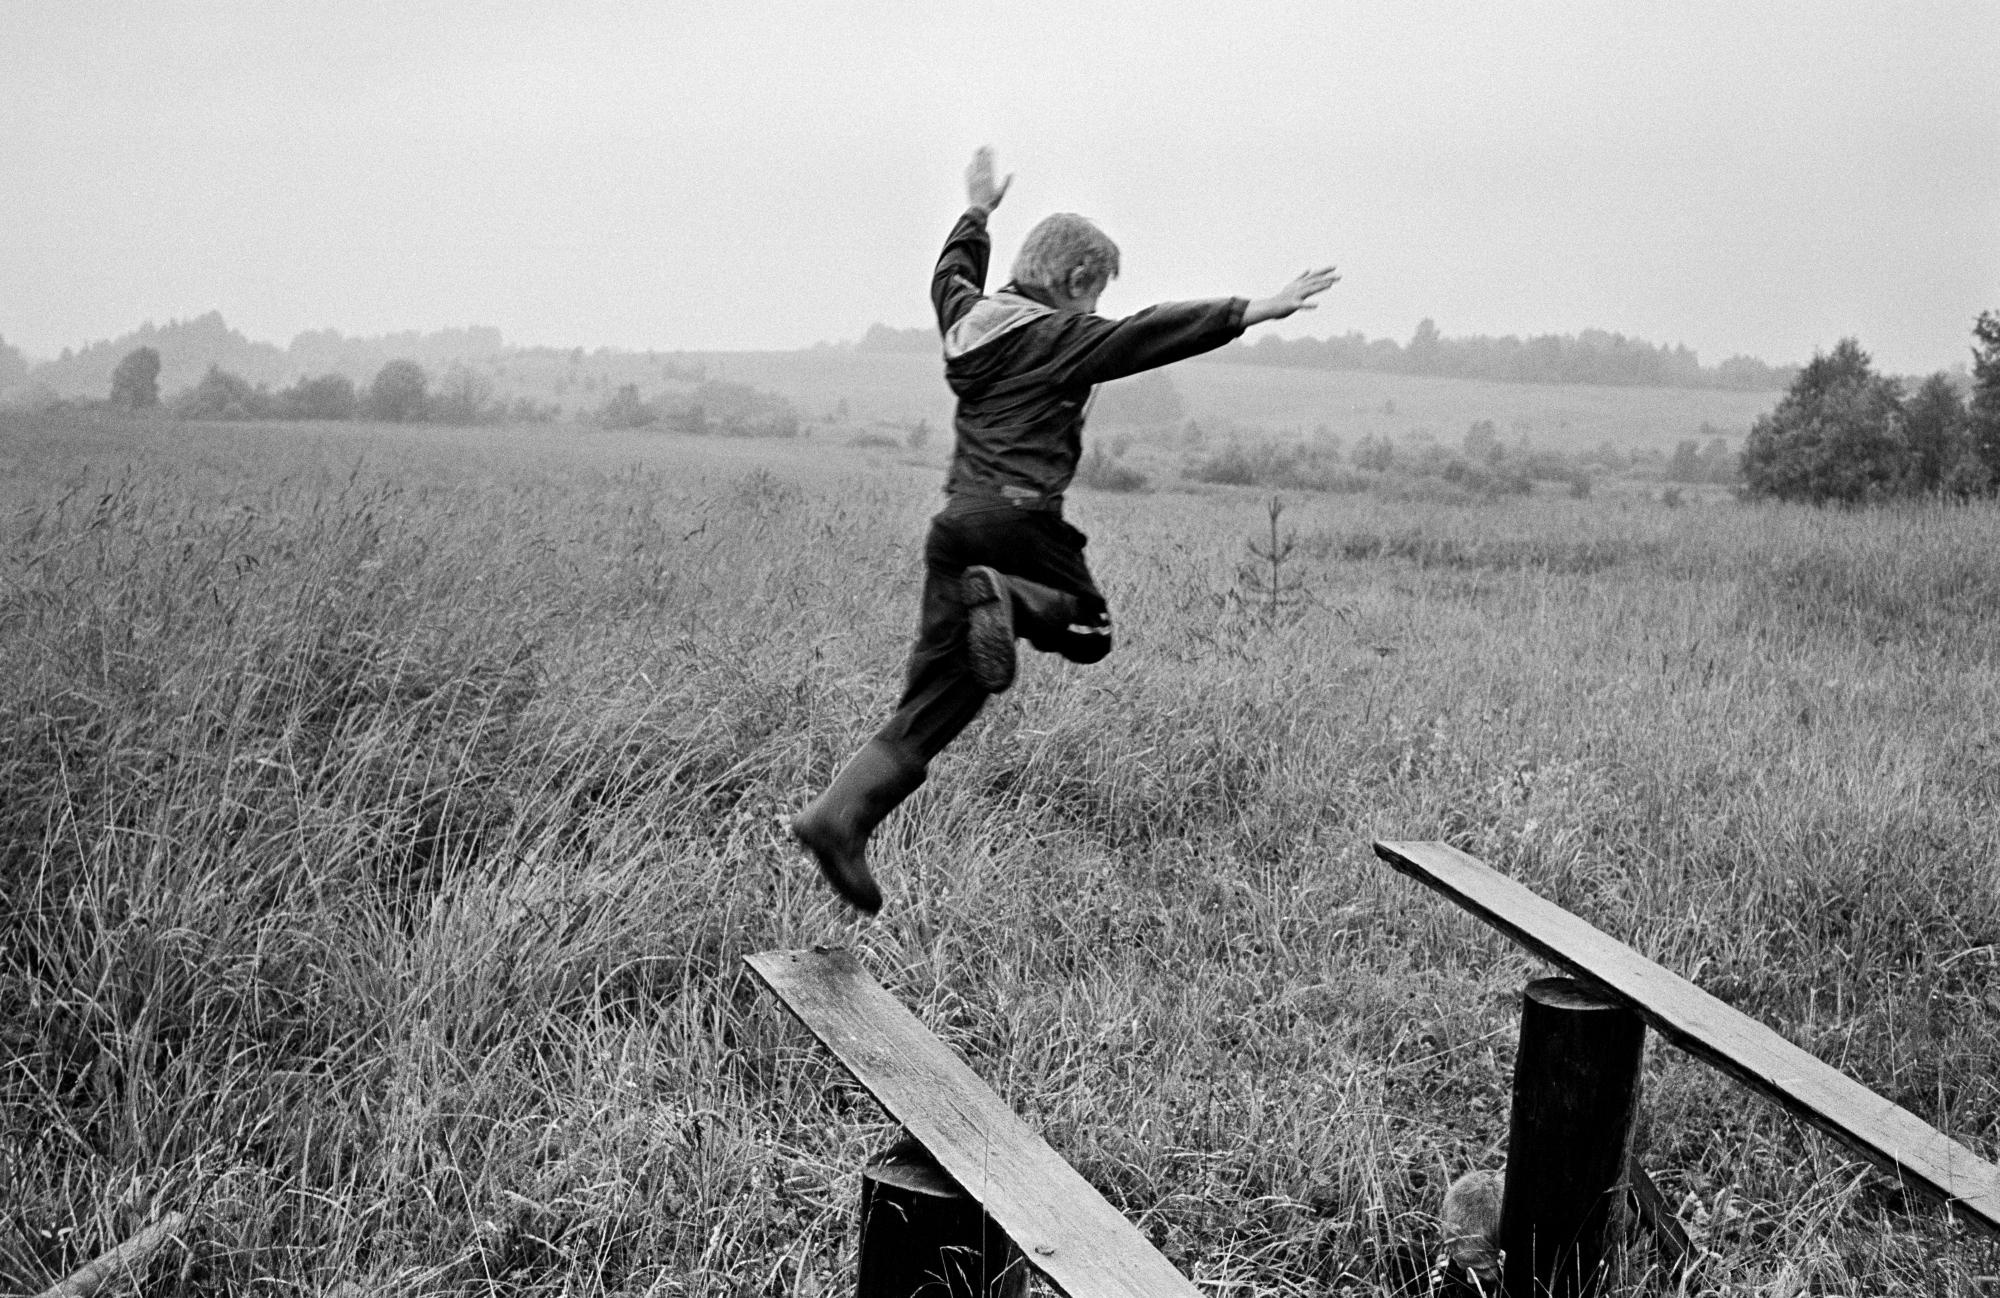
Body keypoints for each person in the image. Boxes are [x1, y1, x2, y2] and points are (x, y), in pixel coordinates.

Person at [792, 147, 1339, 913]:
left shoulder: (967, 321)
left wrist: (977, 212)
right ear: (1078, 281)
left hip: (957, 520)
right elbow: (1144, 335)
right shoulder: (1056, 337)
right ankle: (1014, 602)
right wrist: (1246, 311)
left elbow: (949, 273)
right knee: (1088, 628)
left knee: (942, 693)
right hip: (1019, 522)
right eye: (1095, 294)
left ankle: (839, 817)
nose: (1095, 310)